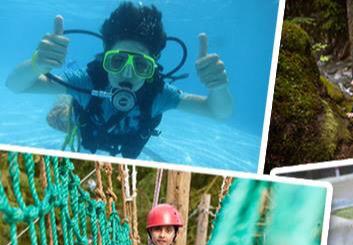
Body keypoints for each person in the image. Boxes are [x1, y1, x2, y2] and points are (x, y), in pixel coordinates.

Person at [5, 2, 232, 159]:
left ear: (152, 67)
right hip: (77, 121)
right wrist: (39, 65)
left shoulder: (160, 94)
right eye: (117, 61)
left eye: (141, 65)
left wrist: (218, 87)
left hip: (113, 137)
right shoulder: (87, 81)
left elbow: (217, 111)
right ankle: (66, 98)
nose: (127, 73)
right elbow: (14, 85)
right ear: (105, 58)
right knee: (52, 118)